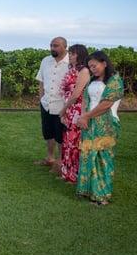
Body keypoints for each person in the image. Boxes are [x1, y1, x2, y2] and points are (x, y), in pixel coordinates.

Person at [76, 51, 124, 205]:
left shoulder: (114, 81)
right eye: (90, 67)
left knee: (102, 159)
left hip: (107, 124)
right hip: (89, 123)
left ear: (104, 63)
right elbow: (85, 99)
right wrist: (83, 116)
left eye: (94, 65)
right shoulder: (91, 80)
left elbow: (106, 104)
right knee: (87, 155)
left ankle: (102, 195)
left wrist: (86, 116)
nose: (92, 69)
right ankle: (88, 189)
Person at [34, 37, 69, 167]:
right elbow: (41, 82)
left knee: (61, 135)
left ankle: (61, 163)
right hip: (46, 104)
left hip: (62, 106)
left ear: (65, 47)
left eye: (56, 46)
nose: (52, 48)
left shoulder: (70, 63)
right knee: (48, 133)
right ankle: (50, 158)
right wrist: (41, 100)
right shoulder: (45, 61)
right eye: (51, 45)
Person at [58, 44, 90, 183]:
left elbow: (76, 94)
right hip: (70, 108)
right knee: (68, 140)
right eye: (69, 53)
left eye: (73, 53)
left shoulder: (84, 71)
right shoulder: (72, 69)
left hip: (77, 109)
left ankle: (75, 175)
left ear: (80, 55)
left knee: (74, 141)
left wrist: (63, 109)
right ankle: (67, 173)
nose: (70, 55)